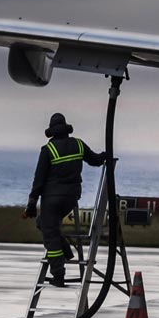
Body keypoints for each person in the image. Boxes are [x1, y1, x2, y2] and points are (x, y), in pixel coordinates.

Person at [24, 112, 108, 284]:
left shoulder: (48, 150)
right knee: (43, 223)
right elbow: (95, 160)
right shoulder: (78, 144)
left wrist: (32, 203)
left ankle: (58, 274)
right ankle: (67, 250)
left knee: (50, 234)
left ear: (52, 132)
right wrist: (106, 156)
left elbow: (38, 179)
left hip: (51, 199)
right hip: (71, 198)